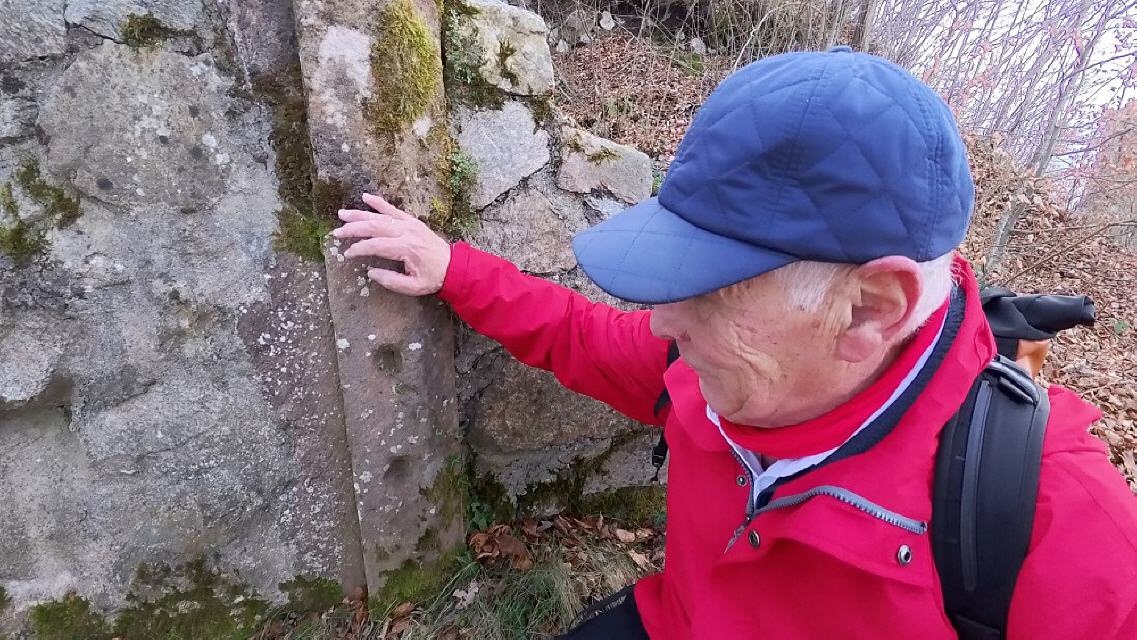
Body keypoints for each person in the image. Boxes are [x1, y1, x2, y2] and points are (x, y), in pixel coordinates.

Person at [333, 47, 1137, 639]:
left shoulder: (1068, 538)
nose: (662, 323)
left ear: (868, 309)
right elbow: (581, 335)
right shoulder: (705, 364)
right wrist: (455, 270)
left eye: (713, 289)